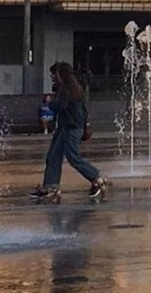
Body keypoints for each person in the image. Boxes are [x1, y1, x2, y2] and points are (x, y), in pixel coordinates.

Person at [30, 62, 106, 204]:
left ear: (60, 74)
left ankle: (97, 178)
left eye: (53, 74)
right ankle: (51, 187)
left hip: (71, 127)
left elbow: (59, 106)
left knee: (72, 157)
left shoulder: (67, 89)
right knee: (53, 156)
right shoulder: (73, 87)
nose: (52, 77)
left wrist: (49, 104)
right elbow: (83, 109)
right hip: (66, 127)